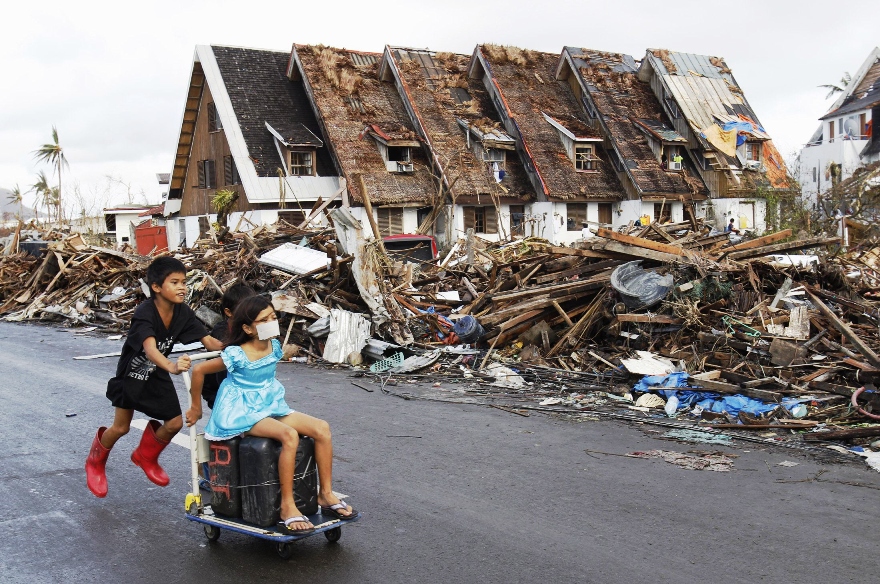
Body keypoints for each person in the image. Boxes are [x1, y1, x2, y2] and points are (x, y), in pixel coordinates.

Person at [185, 296, 356, 534]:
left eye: (273, 317)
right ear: (247, 328)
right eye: (263, 320)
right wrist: (196, 407)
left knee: (321, 429)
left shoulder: (274, 346)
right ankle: (287, 505)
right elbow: (199, 370)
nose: (271, 322)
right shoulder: (237, 353)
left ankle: (325, 494)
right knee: (288, 436)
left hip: (269, 404)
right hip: (241, 410)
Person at [85, 257, 224, 498]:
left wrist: (241, 349)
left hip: (157, 373)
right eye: (174, 282)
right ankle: (95, 462)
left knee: (174, 423)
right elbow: (149, 348)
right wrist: (171, 366)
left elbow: (208, 340)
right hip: (134, 373)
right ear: (157, 287)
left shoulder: (182, 311)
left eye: (184, 282)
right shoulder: (145, 312)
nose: (182, 287)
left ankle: (145, 455)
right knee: (120, 427)